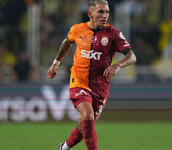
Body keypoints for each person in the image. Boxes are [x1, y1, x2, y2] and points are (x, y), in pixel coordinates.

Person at [47, 0, 136, 150]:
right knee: (87, 115)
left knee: (84, 125)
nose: (105, 15)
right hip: (78, 82)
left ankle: (64, 147)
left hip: (100, 87)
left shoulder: (114, 35)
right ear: (90, 14)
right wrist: (56, 62)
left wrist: (117, 65)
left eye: (107, 12)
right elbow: (66, 43)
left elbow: (132, 56)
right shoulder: (77, 30)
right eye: (101, 11)